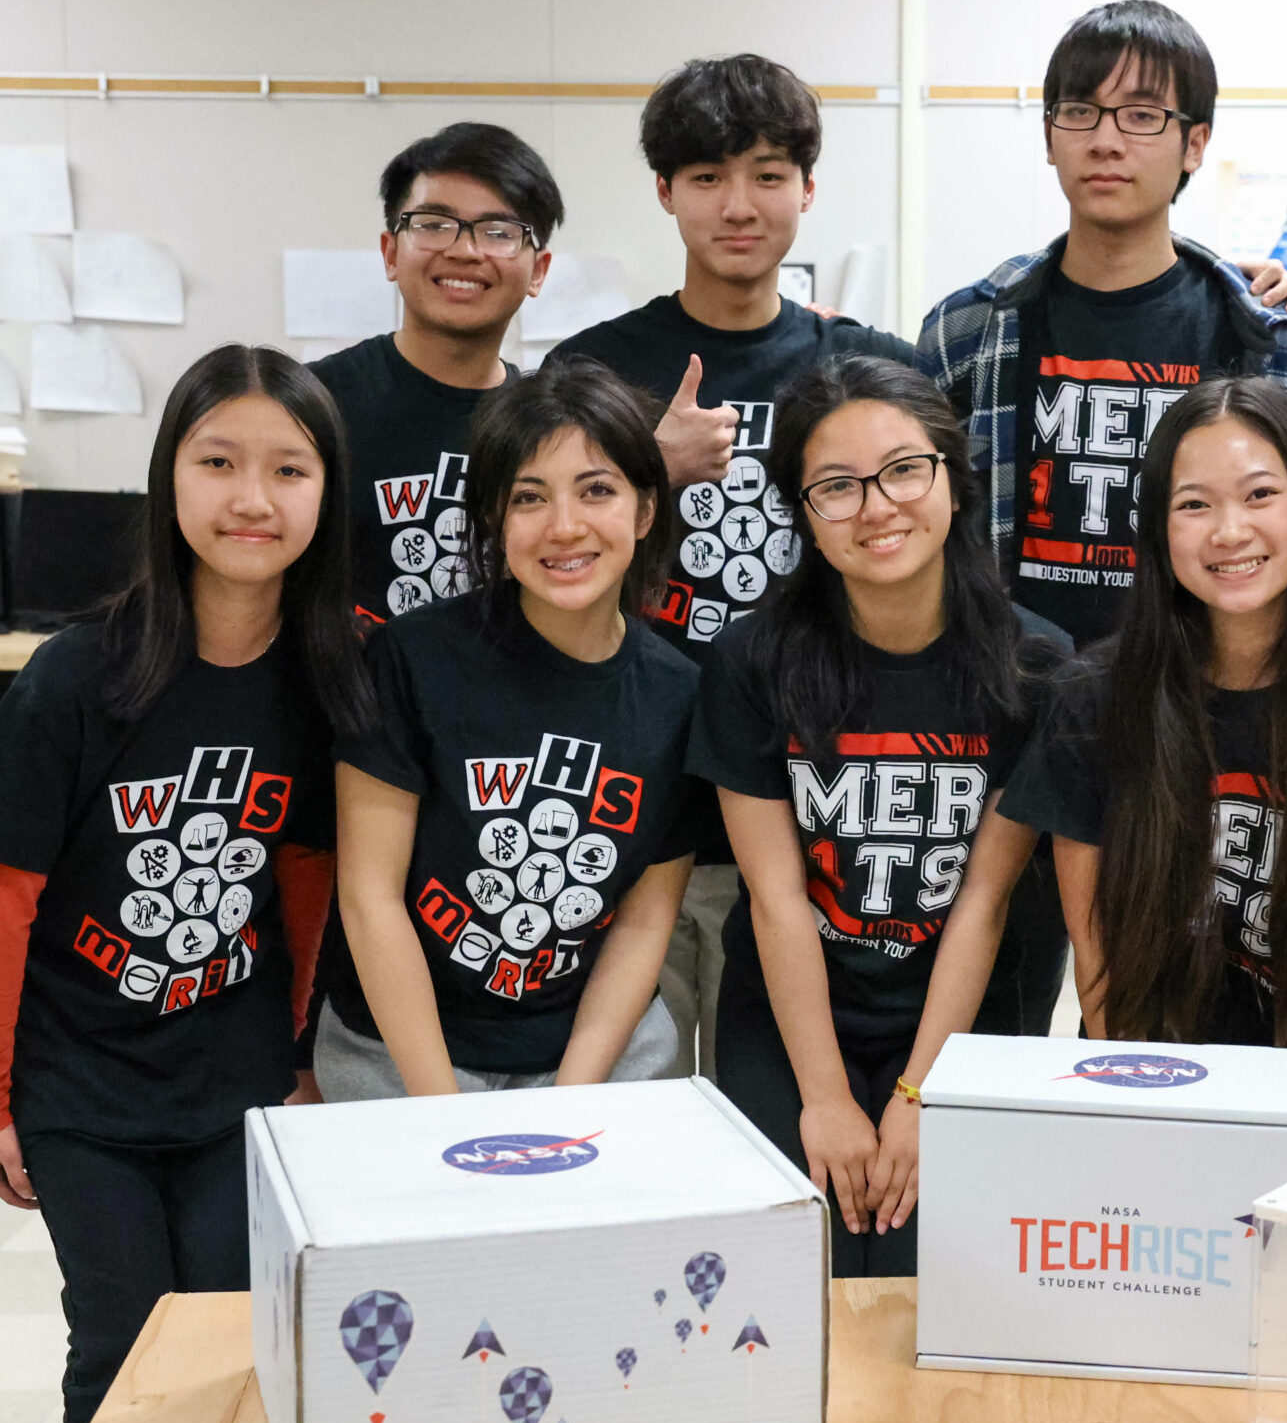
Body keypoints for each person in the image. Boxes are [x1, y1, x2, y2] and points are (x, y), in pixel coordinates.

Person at [0, 345, 368, 1423]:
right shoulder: (78, 675)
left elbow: (305, 884)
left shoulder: (327, 677)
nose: (251, 498)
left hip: (231, 1073)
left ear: (327, 492)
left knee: (229, 1330)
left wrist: (293, 1053)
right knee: (121, 1338)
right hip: (79, 1080)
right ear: (167, 475)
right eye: (217, 461)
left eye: (289, 469)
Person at [546, 54, 916, 1080]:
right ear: (666, 191)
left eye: (766, 174)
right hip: (636, 804)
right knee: (635, 1113)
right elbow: (536, 562)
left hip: (816, 808)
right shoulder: (592, 370)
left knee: (780, 1115)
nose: (738, 205)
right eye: (707, 177)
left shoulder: (870, 369)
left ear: (808, 187)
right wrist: (640, 469)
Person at [1001, 377, 1287, 1178]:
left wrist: (1278, 1134)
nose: (1229, 530)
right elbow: (1100, 959)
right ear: (1156, 526)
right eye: (1193, 504)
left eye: (1259, 494)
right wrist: (1139, 1111)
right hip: (1143, 1055)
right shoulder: (1092, 701)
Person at [689, 357, 1067, 1275]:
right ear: (803, 514)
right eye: (837, 486)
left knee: (924, 1269)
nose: (878, 506)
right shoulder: (750, 660)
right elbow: (776, 898)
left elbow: (983, 900)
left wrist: (921, 1093)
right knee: (797, 1260)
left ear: (952, 479)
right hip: (792, 1013)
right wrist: (825, 1096)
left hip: (960, 1014)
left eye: (904, 470)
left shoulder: (1034, 663)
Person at [316, 356, 707, 1098]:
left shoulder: (681, 693)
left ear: (645, 510)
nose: (565, 527)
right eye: (529, 497)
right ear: (495, 517)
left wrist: (569, 1097)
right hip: (400, 1050)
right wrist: (445, 1112)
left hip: (594, 1051)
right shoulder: (411, 659)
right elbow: (370, 897)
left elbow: (643, 924)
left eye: (597, 490)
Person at [917, 0, 1287, 654]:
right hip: (1013, 689)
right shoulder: (964, 334)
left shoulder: (1274, 345)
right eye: (1080, 111)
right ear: (1049, 136)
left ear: (1194, 144)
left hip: (1201, 690)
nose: (1105, 140)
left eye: (1141, 115)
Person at [311, 122, 564, 627]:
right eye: (433, 224)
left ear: (538, 271)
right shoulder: (312, 405)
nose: (465, 251)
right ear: (390, 252)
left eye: (499, 232)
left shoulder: (547, 425)